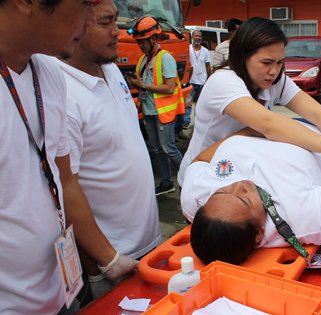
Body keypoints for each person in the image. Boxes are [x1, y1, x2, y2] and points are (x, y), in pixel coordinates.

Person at [0, 0, 136, 314]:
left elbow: (64, 177)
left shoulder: (48, 72)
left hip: (59, 295)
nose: (91, 22)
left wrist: (108, 260)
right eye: (86, 5)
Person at [178, 17, 321, 186]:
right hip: (206, 173)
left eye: (280, 62)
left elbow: (318, 113)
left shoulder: (276, 80)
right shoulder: (223, 81)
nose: (274, 71)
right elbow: (269, 125)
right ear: (242, 56)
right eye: (266, 62)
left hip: (239, 168)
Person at [58, 0, 162, 298]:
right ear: (75, 25)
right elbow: (66, 185)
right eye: (106, 23)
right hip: (113, 260)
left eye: (116, 21)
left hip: (146, 242)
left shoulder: (111, 69)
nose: (117, 33)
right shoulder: (62, 93)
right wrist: (106, 260)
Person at [181, 122, 321, 265]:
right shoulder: (305, 215)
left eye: (222, 191)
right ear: (259, 234)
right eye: (244, 199)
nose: (238, 185)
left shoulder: (195, 198)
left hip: (270, 128)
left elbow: (199, 162)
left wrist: (255, 130)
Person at [126, 15, 184, 195]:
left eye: (143, 41)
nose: (141, 45)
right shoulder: (144, 60)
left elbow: (169, 87)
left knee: (169, 148)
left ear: (153, 39)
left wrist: (142, 85)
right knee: (156, 149)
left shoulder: (165, 58)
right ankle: (167, 183)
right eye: (138, 42)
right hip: (149, 111)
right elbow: (145, 83)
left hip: (163, 113)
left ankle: (189, 178)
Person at [184, 29, 212, 129]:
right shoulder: (187, 48)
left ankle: (200, 122)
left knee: (200, 103)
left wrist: (209, 79)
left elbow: (208, 66)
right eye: (196, 36)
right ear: (192, 37)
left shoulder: (205, 51)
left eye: (200, 36)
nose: (198, 38)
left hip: (202, 81)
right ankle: (186, 122)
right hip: (190, 81)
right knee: (188, 103)